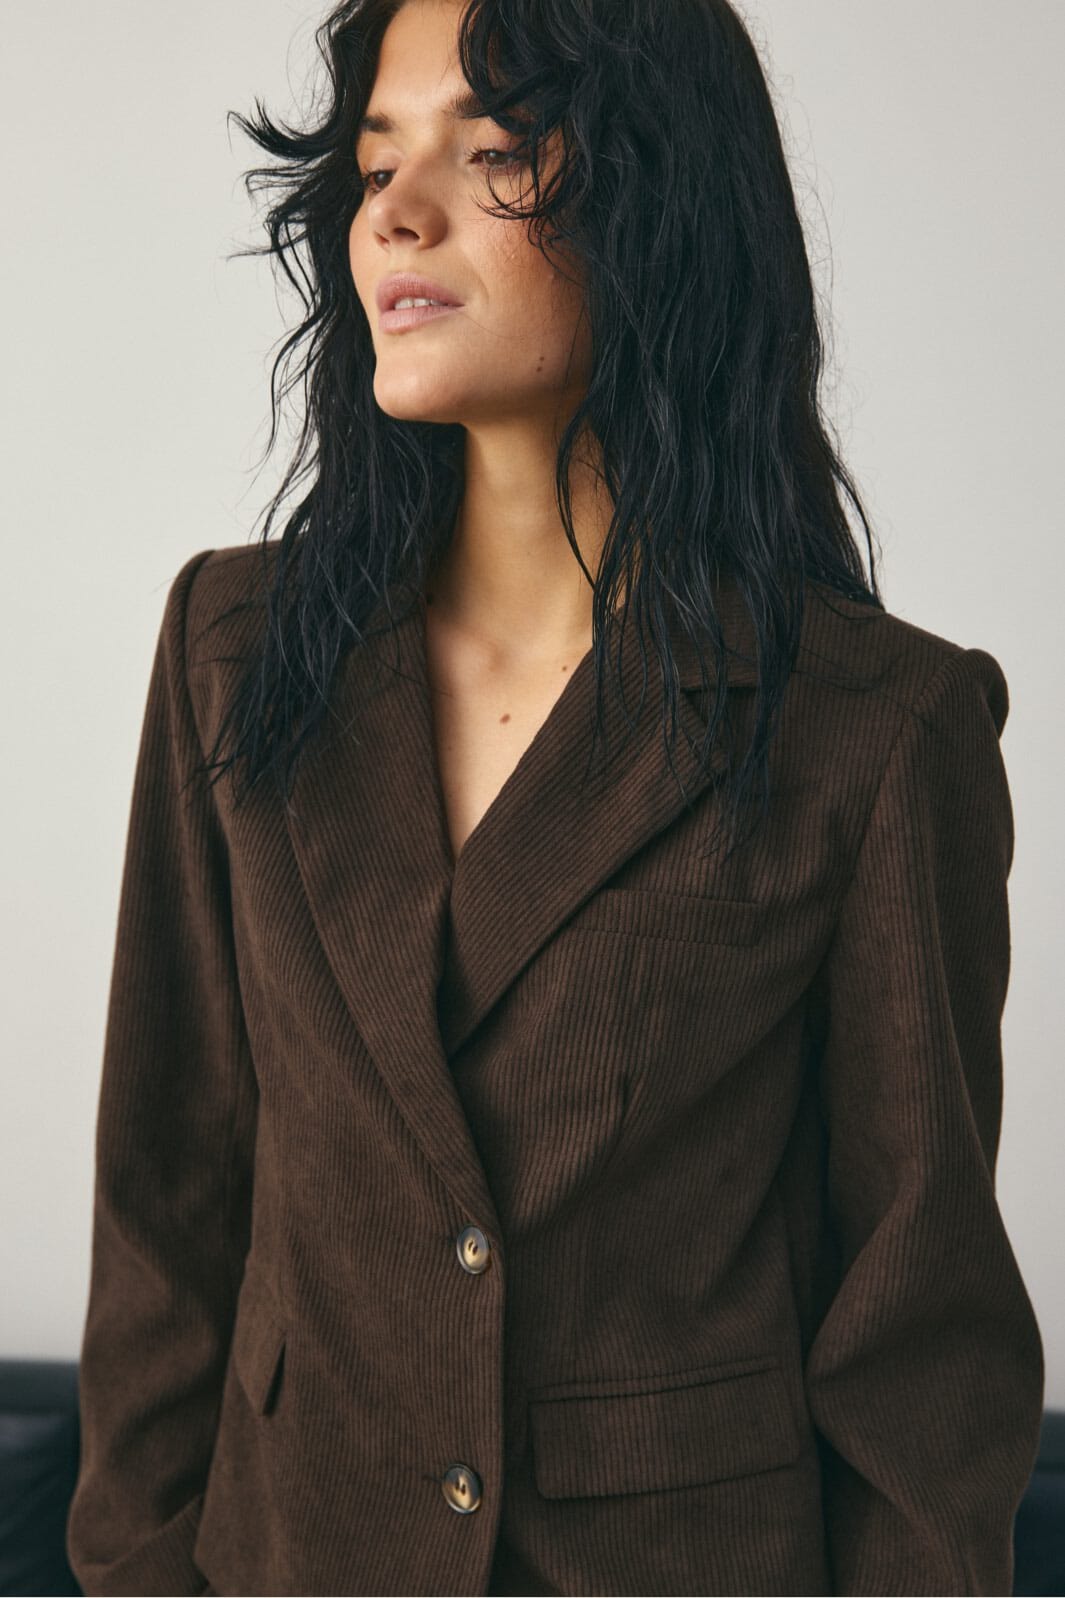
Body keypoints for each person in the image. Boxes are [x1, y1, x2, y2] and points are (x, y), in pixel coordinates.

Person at [65, 0, 1045, 1593]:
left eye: (495, 152)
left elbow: (917, 1345)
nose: (395, 213)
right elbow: (164, 1208)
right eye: (375, 162)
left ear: (660, 200)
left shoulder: (874, 730)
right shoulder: (234, 649)